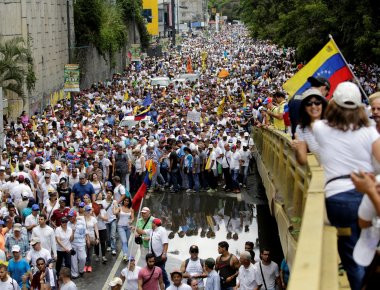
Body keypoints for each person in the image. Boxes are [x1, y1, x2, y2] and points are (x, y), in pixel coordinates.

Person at [312, 82, 380, 290]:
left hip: (337, 197)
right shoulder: (370, 133)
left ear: (333, 105)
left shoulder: (320, 128)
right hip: (365, 194)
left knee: (351, 252)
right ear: (361, 108)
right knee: (367, 247)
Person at [290, 88, 327, 165]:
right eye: (309, 103)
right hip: (327, 174)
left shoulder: (333, 123)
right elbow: (302, 160)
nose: (313, 106)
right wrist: (297, 149)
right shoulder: (301, 129)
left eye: (317, 102)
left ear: (322, 105)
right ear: (304, 108)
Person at [134, 218, 169, 288]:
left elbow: (165, 243)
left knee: (162, 273)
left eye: (152, 223)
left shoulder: (162, 231)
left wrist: (164, 254)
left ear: (155, 224)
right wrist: (135, 228)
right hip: (152, 257)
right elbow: (142, 232)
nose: (151, 224)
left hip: (159, 256)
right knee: (151, 271)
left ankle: (167, 286)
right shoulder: (151, 231)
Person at [67, 210, 87, 279]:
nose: (69, 218)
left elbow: (85, 232)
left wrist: (87, 239)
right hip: (72, 244)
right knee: (73, 260)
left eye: (71, 217)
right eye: (68, 217)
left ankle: (81, 270)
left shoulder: (81, 223)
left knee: (83, 258)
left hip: (81, 243)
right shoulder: (68, 224)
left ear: (75, 216)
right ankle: (74, 273)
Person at [114, 196, 134, 261]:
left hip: (128, 227)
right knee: (124, 241)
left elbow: (133, 218)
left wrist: (131, 220)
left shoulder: (131, 209)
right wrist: (114, 207)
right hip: (120, 226)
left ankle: (124, 254)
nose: (126, 202)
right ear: (123, 201)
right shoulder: (120, 208)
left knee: (126, 242)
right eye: (125, 200)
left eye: (127, 201)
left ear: (129, 202)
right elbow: (115, 212)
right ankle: (125, 255)